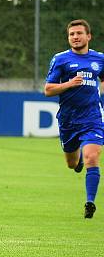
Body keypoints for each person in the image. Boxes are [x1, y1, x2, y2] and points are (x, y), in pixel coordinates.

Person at [44, 19, 104, 219]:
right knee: (72, 163)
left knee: (92, 157)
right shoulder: (60, 59)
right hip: (68, 119)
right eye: (72, 34)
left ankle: (90, 203)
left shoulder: (99, 59)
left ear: (89, 36)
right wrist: (69, 83)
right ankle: (76, 162)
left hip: (92, 117)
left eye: (79, 33)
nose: (75, 37)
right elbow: (48, 90)